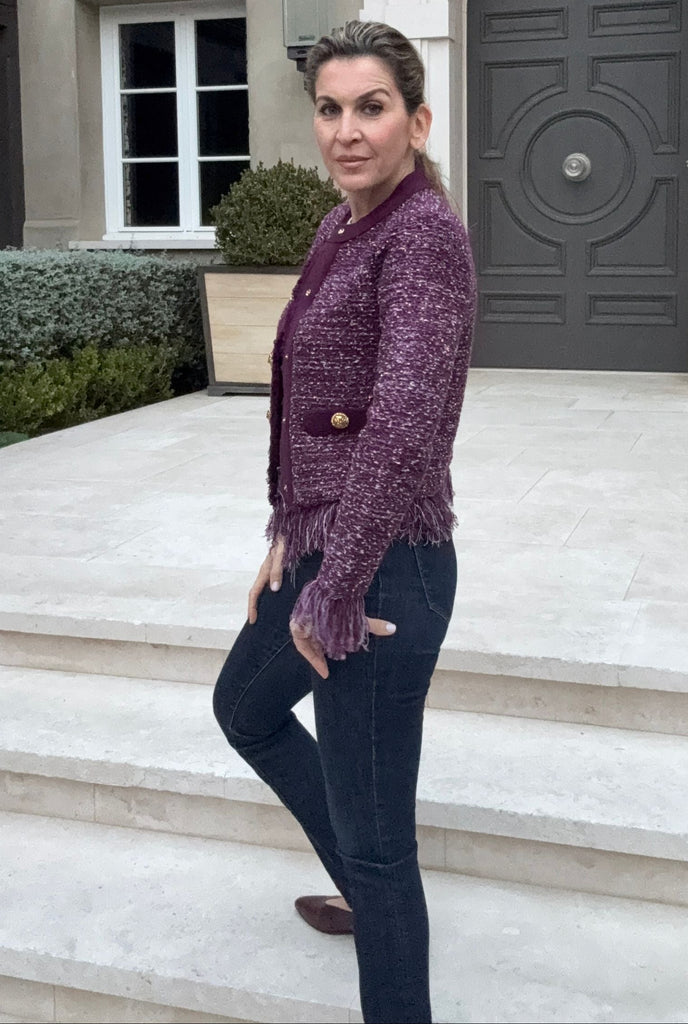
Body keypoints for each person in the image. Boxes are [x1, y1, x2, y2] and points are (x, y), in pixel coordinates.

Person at [212, 20, 476, 1024]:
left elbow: (402, 424)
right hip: (322, 548)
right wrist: (289, 534)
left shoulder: (423, 238)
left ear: (414, 118)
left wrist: (335, 583)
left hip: (383, 571)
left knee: (379, 844)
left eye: (370, 108)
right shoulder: (339, 226)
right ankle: (370, 898)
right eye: (330, 108)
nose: (346, 131)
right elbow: (313, 409)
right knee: (243, 709)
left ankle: (380, 917)